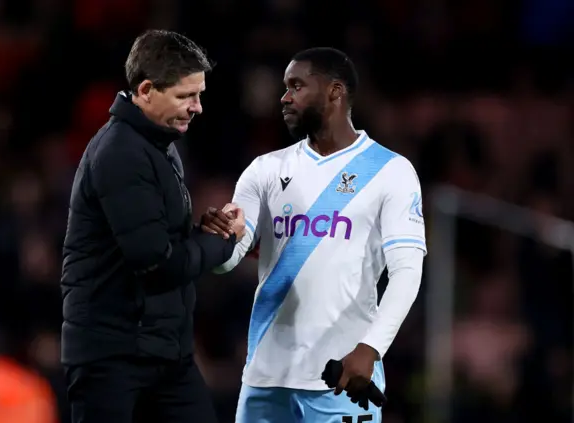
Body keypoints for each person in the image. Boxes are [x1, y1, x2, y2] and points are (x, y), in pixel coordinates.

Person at [201, 47, 426, 422]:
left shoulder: (391, 171)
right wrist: (219, 237)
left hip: (343, 376)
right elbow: (231, 258)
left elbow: (407, 271)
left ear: (335, 91)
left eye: (296, 86)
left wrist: (370, 348)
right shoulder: (265, 170)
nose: (284, 98)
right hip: (264, 379)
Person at [61, 29, 246, 423]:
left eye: (199, 95)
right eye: (186, 96)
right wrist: (223, 241)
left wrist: (203, 230)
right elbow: (157, 263)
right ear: (146, 90)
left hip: (163, 352)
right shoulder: (121, 153)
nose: (197, 107)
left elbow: (163, 241)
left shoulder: (160, 146)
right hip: (112, 358)